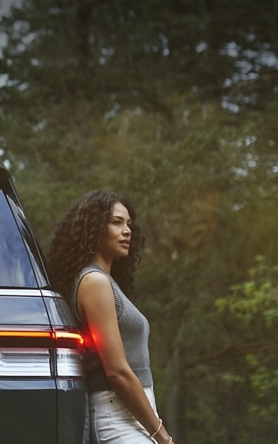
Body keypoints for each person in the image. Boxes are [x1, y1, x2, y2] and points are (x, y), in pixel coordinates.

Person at [47, 190, 174, 444]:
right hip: (117, 416)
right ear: (94, 228)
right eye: (116, 222)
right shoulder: (94, 282)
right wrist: (162, 436)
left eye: (128, 224)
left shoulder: (105, 282)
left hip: (132, 414)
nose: (127, 230)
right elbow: (116, 371)